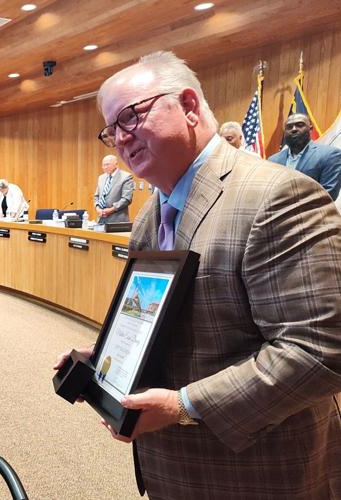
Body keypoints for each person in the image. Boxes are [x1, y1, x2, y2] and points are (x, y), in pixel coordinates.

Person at [56, 51, 341, 499]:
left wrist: (183, 405)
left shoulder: (278, 195)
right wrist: (113, 352)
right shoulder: (151, 214)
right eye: (111, 130)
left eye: (130, 117)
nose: (121, 139)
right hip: (175, 470)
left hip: (259, 475)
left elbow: (318, 353)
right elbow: (170, 321)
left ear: (189, 106)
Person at [268, 113, 341, 199]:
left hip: (312, 211)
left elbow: (328, 194)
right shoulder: (273, 160)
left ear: (310, 129)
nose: (294, 129)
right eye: (289, 127)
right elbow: (268, 191)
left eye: (300, 125)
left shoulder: (330, 155)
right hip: (277, 211)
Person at [93, 154, 134, 223]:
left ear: (116, 164)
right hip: (101, 218)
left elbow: (126, 199)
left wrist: (111, 210)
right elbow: (96, 196)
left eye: (107, 164)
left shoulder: (126, 177)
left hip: (117, 219)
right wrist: (97, 208)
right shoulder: (101, 178)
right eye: (103, 165)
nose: (104, 167)